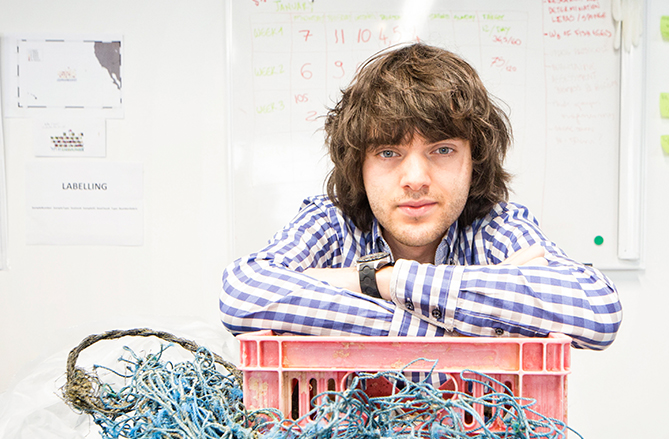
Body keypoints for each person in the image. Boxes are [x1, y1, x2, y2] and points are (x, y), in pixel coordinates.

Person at [220, 43, 622, 350]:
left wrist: (388, 282)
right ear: (358, 164)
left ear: (474, 160)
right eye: (389, 152)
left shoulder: (493, 226)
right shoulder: (332, 222)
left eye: (442, 150)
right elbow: (243, 293)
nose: (415, 179)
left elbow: (597, 309)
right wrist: (452, 333)